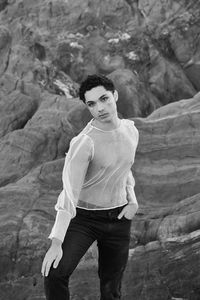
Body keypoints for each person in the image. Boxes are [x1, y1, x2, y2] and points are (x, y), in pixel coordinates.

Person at [41, 74, 139, 300]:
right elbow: (69, 192)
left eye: (104, 99)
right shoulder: (84, 143)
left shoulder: (131, 130)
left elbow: (125, 167)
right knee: (55, 274)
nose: (100, 108)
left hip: (119, 218)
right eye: (92, 104)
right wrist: (56, 242)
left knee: (111, 288)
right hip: (84, 219)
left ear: (115, 95)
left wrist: (133, 200)